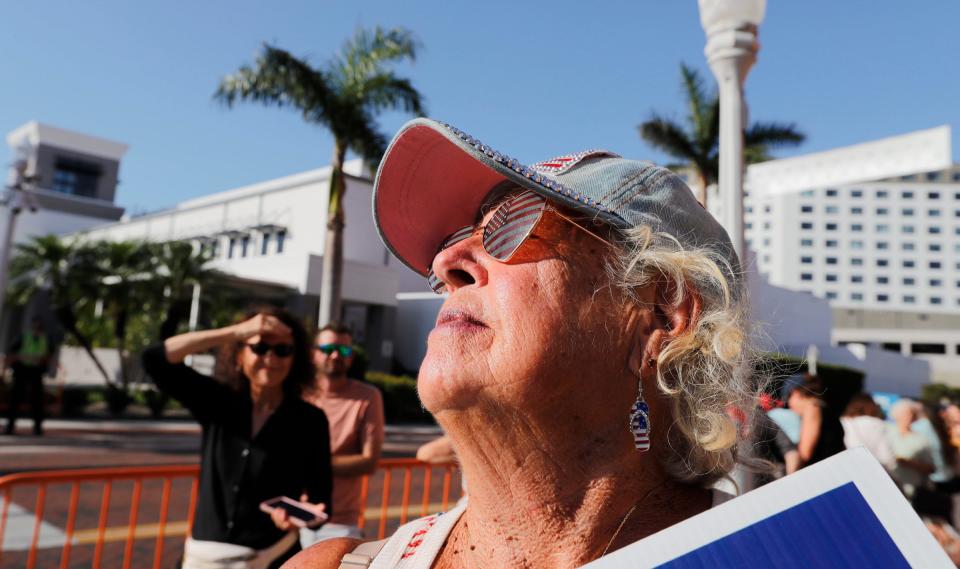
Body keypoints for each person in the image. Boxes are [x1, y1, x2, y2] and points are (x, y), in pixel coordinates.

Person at [286, 118, 761, 568]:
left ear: (662, 312)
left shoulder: (788, 550)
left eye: (513, 225)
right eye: (453, 240)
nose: (446, 263)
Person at [142, 307, 333, 569]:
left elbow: (322, 499)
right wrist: (237, 332)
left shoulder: (310, 420)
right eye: (259, 348)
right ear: (239, 355)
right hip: (205, 558)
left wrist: (301, 516)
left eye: (283, 350)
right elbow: (154, 358)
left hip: (273, 557)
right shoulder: (218, 401)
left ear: (295, 359)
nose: (270, 358)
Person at [300, 323, 385, 545]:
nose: (336, 355)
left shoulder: (367, 397)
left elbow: (369, 462)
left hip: (340, 523)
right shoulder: (299, 395)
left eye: (344, 351)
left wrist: (311, 464)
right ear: (313, 354)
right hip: (293, 517)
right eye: (328, 349)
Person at [4, 317, 52, 436]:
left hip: (36, 372)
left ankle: (37, 427)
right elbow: (11, 351)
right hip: (22, 370)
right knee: (15, 399)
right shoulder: (24, 337)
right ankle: (10, 426)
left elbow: (49, 355)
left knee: (37, 400)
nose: (36, 328)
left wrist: (43, 362)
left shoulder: (45, 339)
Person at [787, 374, 846, 468]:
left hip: (821, 471)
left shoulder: (812, 408)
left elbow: (805, 453)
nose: (789, 405)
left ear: (796, 393)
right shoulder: (827, 409)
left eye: (789, 397)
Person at [887, 400, 934, 501]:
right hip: (887, 487)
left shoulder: (921, 439)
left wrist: (912, 464)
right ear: (895, 415)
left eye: (912, 414)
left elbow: (931, 468)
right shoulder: (885, 432)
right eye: (905, 414)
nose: (909, 417)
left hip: (911, 491)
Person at [840, 393, 896, 471]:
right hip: (873, 471)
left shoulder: (843, 421)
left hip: (845, 469)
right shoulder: (878, 424)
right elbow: (888, 459)